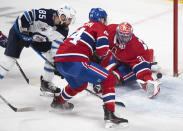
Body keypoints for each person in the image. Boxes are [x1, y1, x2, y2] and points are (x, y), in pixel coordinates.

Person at [53, 8, 128, 128]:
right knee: (108, 78)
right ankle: (109, 115)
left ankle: (58, 102)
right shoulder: (100, 26)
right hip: (76, 61)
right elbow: (102, 49)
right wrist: (101, 55)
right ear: (102, 19)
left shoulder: (83, 27)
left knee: (80, 85)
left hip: (59, 60)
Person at [0, 5, 76, 94]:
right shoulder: (47, 15)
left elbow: (56, 48)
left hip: (36, 39)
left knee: (51, 56)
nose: (70, 22)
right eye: (69, 19)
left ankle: (46, 83)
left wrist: (57, 64)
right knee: (9, 59)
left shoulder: (63, 31)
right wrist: (25, 31)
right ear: (63, 16)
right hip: (20, 33)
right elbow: (25, 16)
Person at [97, 22, 161, 98]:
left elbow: (142, 68)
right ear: (117, 33)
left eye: (126, 37)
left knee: (118, 74)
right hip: (119, 56)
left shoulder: (135, 49)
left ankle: (108, 81)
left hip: (137, 59)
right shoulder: (110, 30)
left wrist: (149, 81)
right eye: (122, 37)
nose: (124, 39)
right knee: (102, 60)